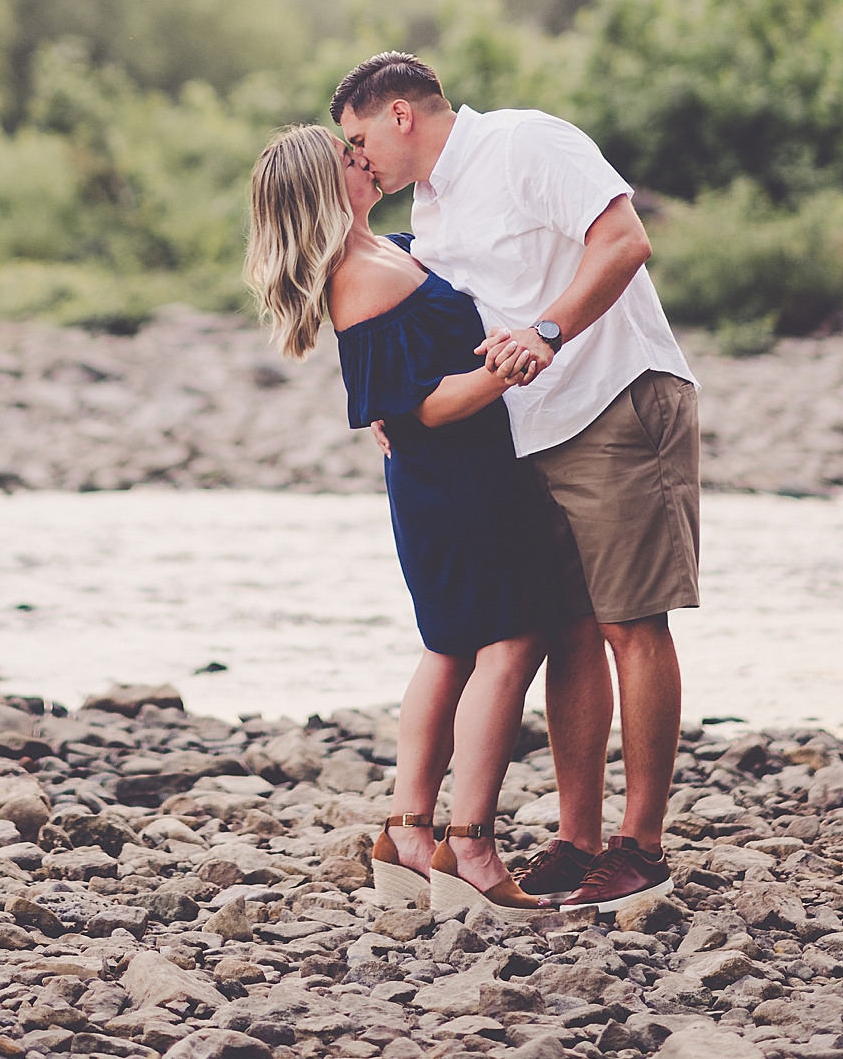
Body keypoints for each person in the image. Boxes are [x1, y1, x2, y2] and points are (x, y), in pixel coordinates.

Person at [332, 52, 699, 915]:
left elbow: (626, 241)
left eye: (357, 139)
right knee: (568, 626)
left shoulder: (527, 143)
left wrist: (548, 330)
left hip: (615, 399)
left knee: (631, 623)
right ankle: (577, 844)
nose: (357, 161)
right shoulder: (430, 208)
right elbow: (416, 312)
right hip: (529, 431)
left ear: (399, 115)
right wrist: (393, 401)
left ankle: (640, 847)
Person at [245, 122, 592, 918]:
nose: (363, 160)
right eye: (347, 159)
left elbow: (399, 381)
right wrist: (508, 366)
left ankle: (407, 830)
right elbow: (419, 404)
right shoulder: (361, 275)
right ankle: (468, 843)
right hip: (456, 476)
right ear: (323, 189)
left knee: (452, 646)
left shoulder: (386, 251)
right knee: (511, 640)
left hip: (453, 475)